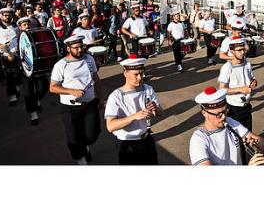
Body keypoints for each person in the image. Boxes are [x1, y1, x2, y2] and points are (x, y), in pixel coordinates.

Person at [49, 35, 103, 164]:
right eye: (76, 48)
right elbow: (53, 87)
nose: (80, 50)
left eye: (81, 47)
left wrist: (100, 98)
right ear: (68, 49)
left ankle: (85, 145)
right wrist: (71, 91)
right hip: (69, 107)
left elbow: (96, 79)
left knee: (92, 134)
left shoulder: (89, 59)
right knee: (73, 137)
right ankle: (80, 159)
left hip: (90, 103)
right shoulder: (61, 65)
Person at [105, 55, 163, 165]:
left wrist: (156, 108)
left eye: (141, 73)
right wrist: (134, 116)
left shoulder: (148, 89)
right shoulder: (116, 96)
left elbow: (160, 113)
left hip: (146, 139)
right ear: (125, 74)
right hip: (127, 144)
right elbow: (110, 126)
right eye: (136, 74)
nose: (140, 77)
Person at [189, 86, 264, 165]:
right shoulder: (199, 139)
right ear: (204, 113)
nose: (223, 117)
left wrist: (256, 144)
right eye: (218, 114)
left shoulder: (230, 122)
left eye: (225, 111)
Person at [12, 16, 49, 125]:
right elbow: (13, 51)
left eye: (28, 24)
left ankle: (36, 99)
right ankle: (33, 113)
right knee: (28, 92)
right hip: (24, 69)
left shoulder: (36, 36)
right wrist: (13, 52)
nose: (27, 26)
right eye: (24, 25)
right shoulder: (16, 38)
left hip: (38, 68)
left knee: (43, 88)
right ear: (20, 27)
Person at [218, 38, 257, 130]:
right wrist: (241, 89)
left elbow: (252, 78)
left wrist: (254, 82)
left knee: (248, 133)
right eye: (239, 50)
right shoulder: (227, 67)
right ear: (231, 51)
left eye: (243, 49)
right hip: (234, 107)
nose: (243, 52)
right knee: (236, 136)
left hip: (246, 105)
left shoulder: (247, 64)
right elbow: (222, 89)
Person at [0, 8, 20, 105]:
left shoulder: (16, 27)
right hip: (5, 55)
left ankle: (16, 86)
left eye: (9, 15)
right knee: (9, 75)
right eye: (5, 15)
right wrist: (0, 46)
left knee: (19, 74)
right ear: (1, 16)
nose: (7, 17)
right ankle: (12, 96)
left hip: (17, 54)